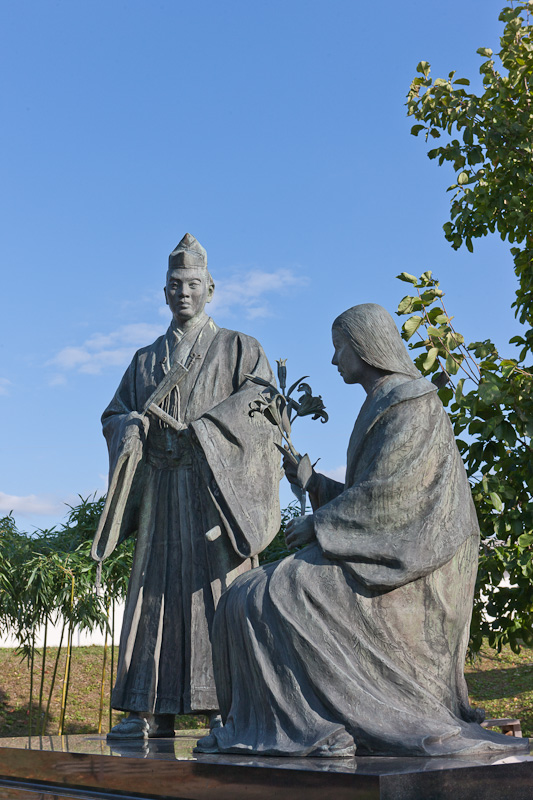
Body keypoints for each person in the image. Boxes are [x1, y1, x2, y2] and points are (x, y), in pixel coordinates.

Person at [195, 303, 528, 757]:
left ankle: (314, 727)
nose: (334, 361)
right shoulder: (383, 402)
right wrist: (314, 485)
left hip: (414, 574)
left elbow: (397, 501)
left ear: (366, 346)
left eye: (340, 348)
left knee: (271, 594)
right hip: (382, 554)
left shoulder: (412, 404)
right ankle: (279, 725)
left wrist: (319, 524)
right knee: (242, 594)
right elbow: (374, 494)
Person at [92, 233, 280, 740]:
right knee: (154, 595)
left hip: (216, 493)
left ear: (211, 288)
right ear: (164, 291)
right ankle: (146, 708)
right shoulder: (144, 359)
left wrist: (205, 431)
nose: (184, 292)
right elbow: (113, 413)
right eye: (175, 284)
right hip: (159, 490)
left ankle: (227, 706)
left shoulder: (241, 349)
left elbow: (264, 406)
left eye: (193, 284)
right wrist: (130, 426)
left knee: (220, 594)